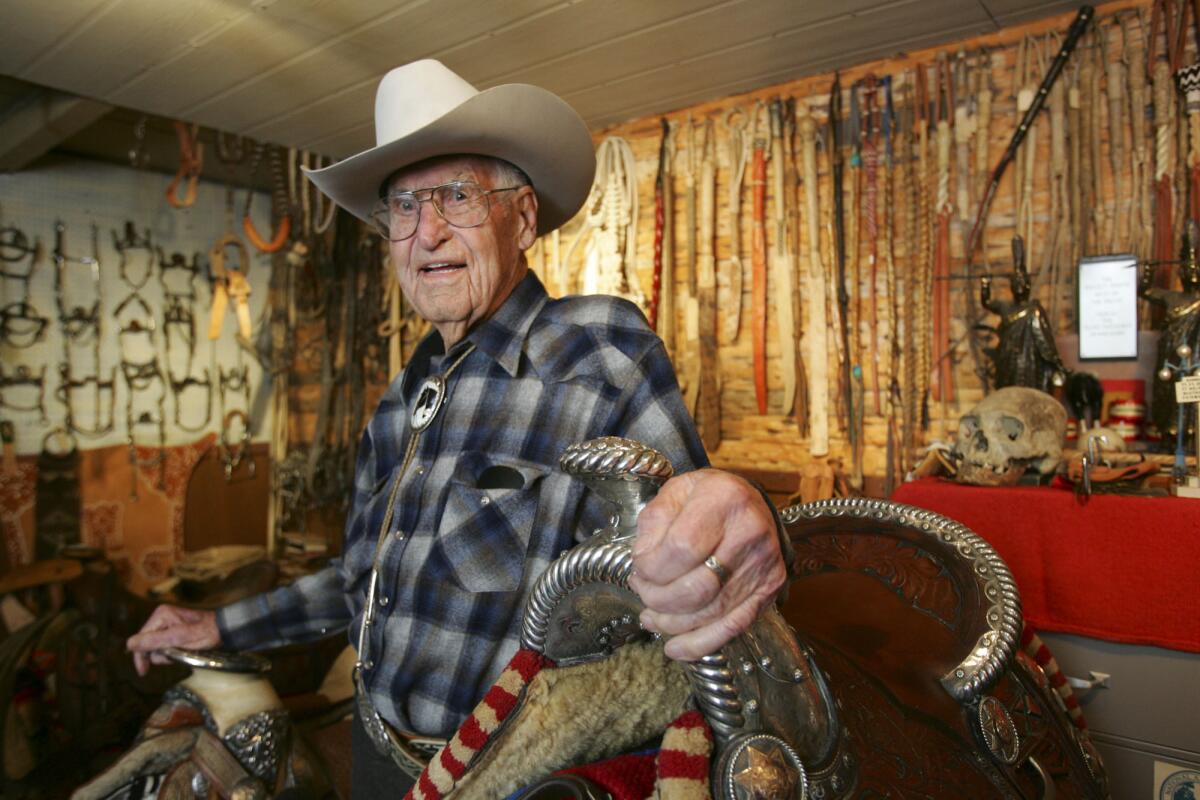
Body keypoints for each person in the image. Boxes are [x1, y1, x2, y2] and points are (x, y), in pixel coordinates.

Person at [126, 60, 787, 794]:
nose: (427, 231)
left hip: (523, 774)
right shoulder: (398, 404)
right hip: (380, 756)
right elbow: (359, 586)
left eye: (458, 196)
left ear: (523, 218)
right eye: (403, 207)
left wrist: (743, 518)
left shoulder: (599, 351)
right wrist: (217, 628)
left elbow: (700, 551)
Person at [980, 235, 1067, 393]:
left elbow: (1044, 341)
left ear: (1027, 285)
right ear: (1012, 286)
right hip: (1007, 362)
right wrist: (985, 286)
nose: (1019, 285)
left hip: (1029, 365)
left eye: (1022, 282)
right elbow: (986, 303)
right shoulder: (1005, 307)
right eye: (1015, 282)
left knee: (1027, 397)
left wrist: (1056, 363)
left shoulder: (1034, 310)